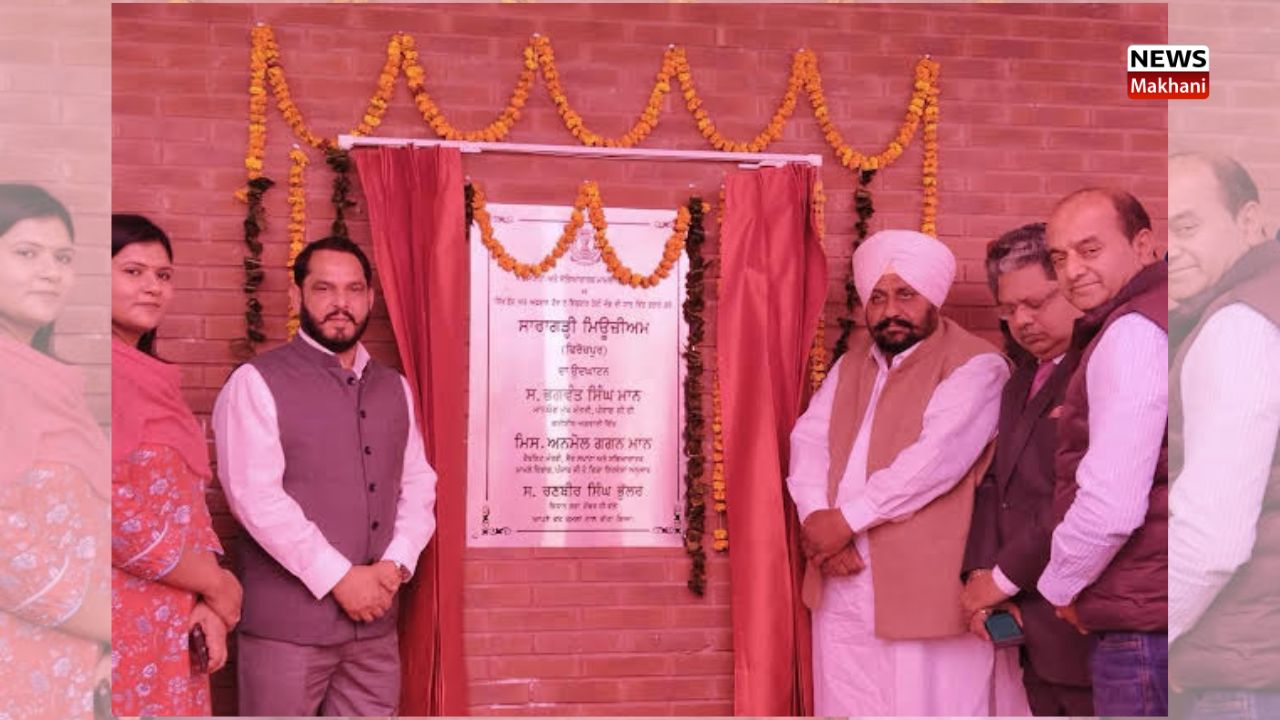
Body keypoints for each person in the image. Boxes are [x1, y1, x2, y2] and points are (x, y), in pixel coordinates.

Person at [786, 229, 1011, 715]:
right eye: (878, 297)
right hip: (841, 571)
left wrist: (845, 520)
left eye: (906, 294)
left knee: (927, 703)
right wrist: (817, 520)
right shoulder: (851, 365)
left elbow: (935, 460)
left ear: (932, 296)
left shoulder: (977, 365)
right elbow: (808, 441)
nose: (891, 310)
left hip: (923, 580)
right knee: (846, 700)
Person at [213, 235, 437, 716]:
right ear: (296, 295)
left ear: (370, 297)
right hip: (286, 632)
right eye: (324, 288)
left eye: (354, 289)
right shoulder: (256, 381)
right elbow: (255, 498)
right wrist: (340, 578)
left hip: (375, 630)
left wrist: (395, 565)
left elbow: (418, 483)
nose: (341, 303)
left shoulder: (394, 387)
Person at [1036, 188, 1168, 717]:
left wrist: (1061, 585)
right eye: (1059, 257)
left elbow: (1112, 505)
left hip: (1145, 623)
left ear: (1143, 245)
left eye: (1089, 250)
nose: (1072, 271)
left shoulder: (1134, 332)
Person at [109, 214, 243, 715]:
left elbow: (188, 503)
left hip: (173, 627)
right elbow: (108, 513)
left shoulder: (156, 380)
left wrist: (212, 607)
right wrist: (215, 584)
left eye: (163, 275)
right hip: (109, 628)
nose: (153, 287)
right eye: (133, 272)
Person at [961, 223, 1092, 716]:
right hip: (1027, 622)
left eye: (1036, 303)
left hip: (1082, 618)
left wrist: (1003, 577)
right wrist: (981, 572)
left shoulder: (1099, 367)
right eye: (1009, 309)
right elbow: (995, 483)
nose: (1022, 320)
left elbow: (1077, 495)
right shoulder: (1019, 380)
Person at [1166, 153, 1280, 719]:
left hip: (1242, 672)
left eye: (1187, 226)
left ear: (1249, 221)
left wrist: (1152, 631)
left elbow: (1212, 539)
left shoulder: (1239, 327)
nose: (1171, 249)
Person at [0, 184, 110, 719]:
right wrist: (113, 624)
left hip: (75, 665)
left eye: (62, 258)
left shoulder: (52, 381)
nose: (51, 272)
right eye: (27, 253)